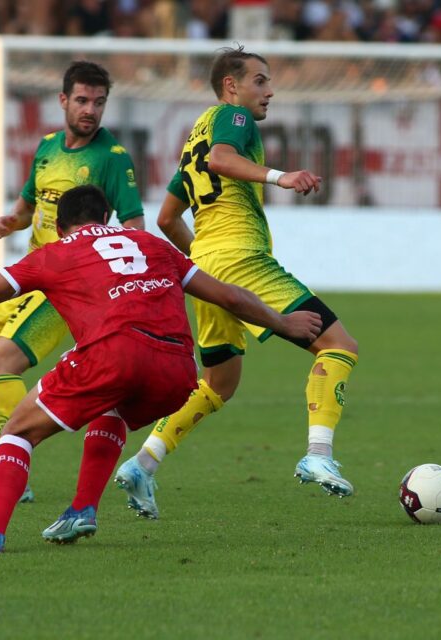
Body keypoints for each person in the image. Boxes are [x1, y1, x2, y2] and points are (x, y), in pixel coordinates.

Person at [0, 185, 321, 552]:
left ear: (61, 225)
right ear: (106, 217)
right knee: (113, 411)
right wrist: (284, 322)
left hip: (115, 353)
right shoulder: (151, 244)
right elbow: (228, 296)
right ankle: (81, 511)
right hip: (177, 370)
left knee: (17, 431)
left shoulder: (55, 252)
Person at [113, 45, 360, 520]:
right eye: (260, 81)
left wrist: (203, 264)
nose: (269, 90)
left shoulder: (195, 134)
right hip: (239, 256)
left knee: (219, 383)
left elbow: (166, 217)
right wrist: (280, 176)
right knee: (339, 345)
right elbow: (222, 160)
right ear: (232, 85)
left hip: (207, 268)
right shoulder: (232, 118)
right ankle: (319, 454)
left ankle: (144, 463)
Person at [0, 61, 146, 506]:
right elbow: (29, 206)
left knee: (0, 364)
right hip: (28, 274)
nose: (91, 110)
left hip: (63, 288)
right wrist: (10, 222)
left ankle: (16, 477)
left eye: (99, 102)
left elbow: (134, 225)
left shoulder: (112, 158)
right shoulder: (47, 148)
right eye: (82, 100)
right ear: (63, 100)